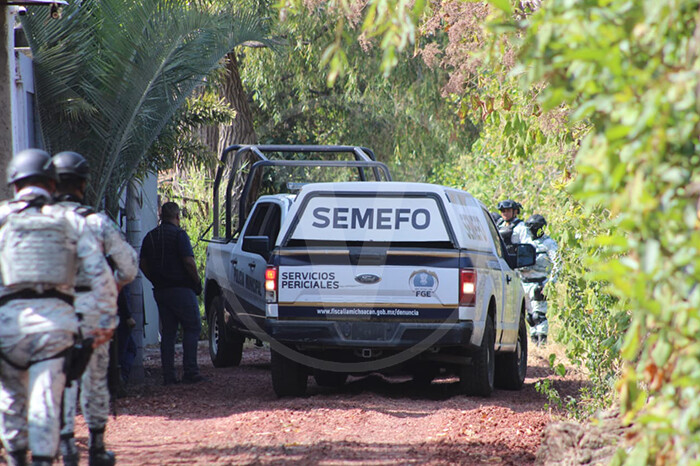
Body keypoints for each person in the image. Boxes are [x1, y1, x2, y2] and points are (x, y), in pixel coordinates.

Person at [0, 149, 117, 466]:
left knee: (10, 397)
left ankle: (15, 456)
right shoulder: (70, 220)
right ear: (52, 186)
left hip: (8, 327)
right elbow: (101, 274)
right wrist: (106, 322)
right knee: (46, 401)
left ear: (14, 186)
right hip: (55, 326)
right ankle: (43, 457)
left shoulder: (2, 219)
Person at [52, 151, 138, 466]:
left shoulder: (37, 222)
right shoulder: (97, 222)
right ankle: (98, 447)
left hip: (49, 310)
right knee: (94, 377)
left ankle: (65, 446)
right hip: (90, 310)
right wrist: (111, 284)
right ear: (83, 184)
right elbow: (128, 268)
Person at [139, 202, 205, 385]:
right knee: (192, 327)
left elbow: (142, 263)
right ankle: (190, 371)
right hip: (181, 289)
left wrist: (154, 279)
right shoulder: (179, 235)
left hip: (161, 290)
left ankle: (169, 375)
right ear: (177, 217)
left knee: (168, 332)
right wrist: (197, 282)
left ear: (161, 216)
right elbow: (189, 263)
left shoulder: (150, 237)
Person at [519, 214, 560, 346]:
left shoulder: (548, 244)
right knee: (530, 317)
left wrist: (550, 283)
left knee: (538, 315)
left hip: (540, 282)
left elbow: (558, 263)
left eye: (533, 228)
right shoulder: (526, 242)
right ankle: (533, 341)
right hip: (524, 282)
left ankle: (542, 343)